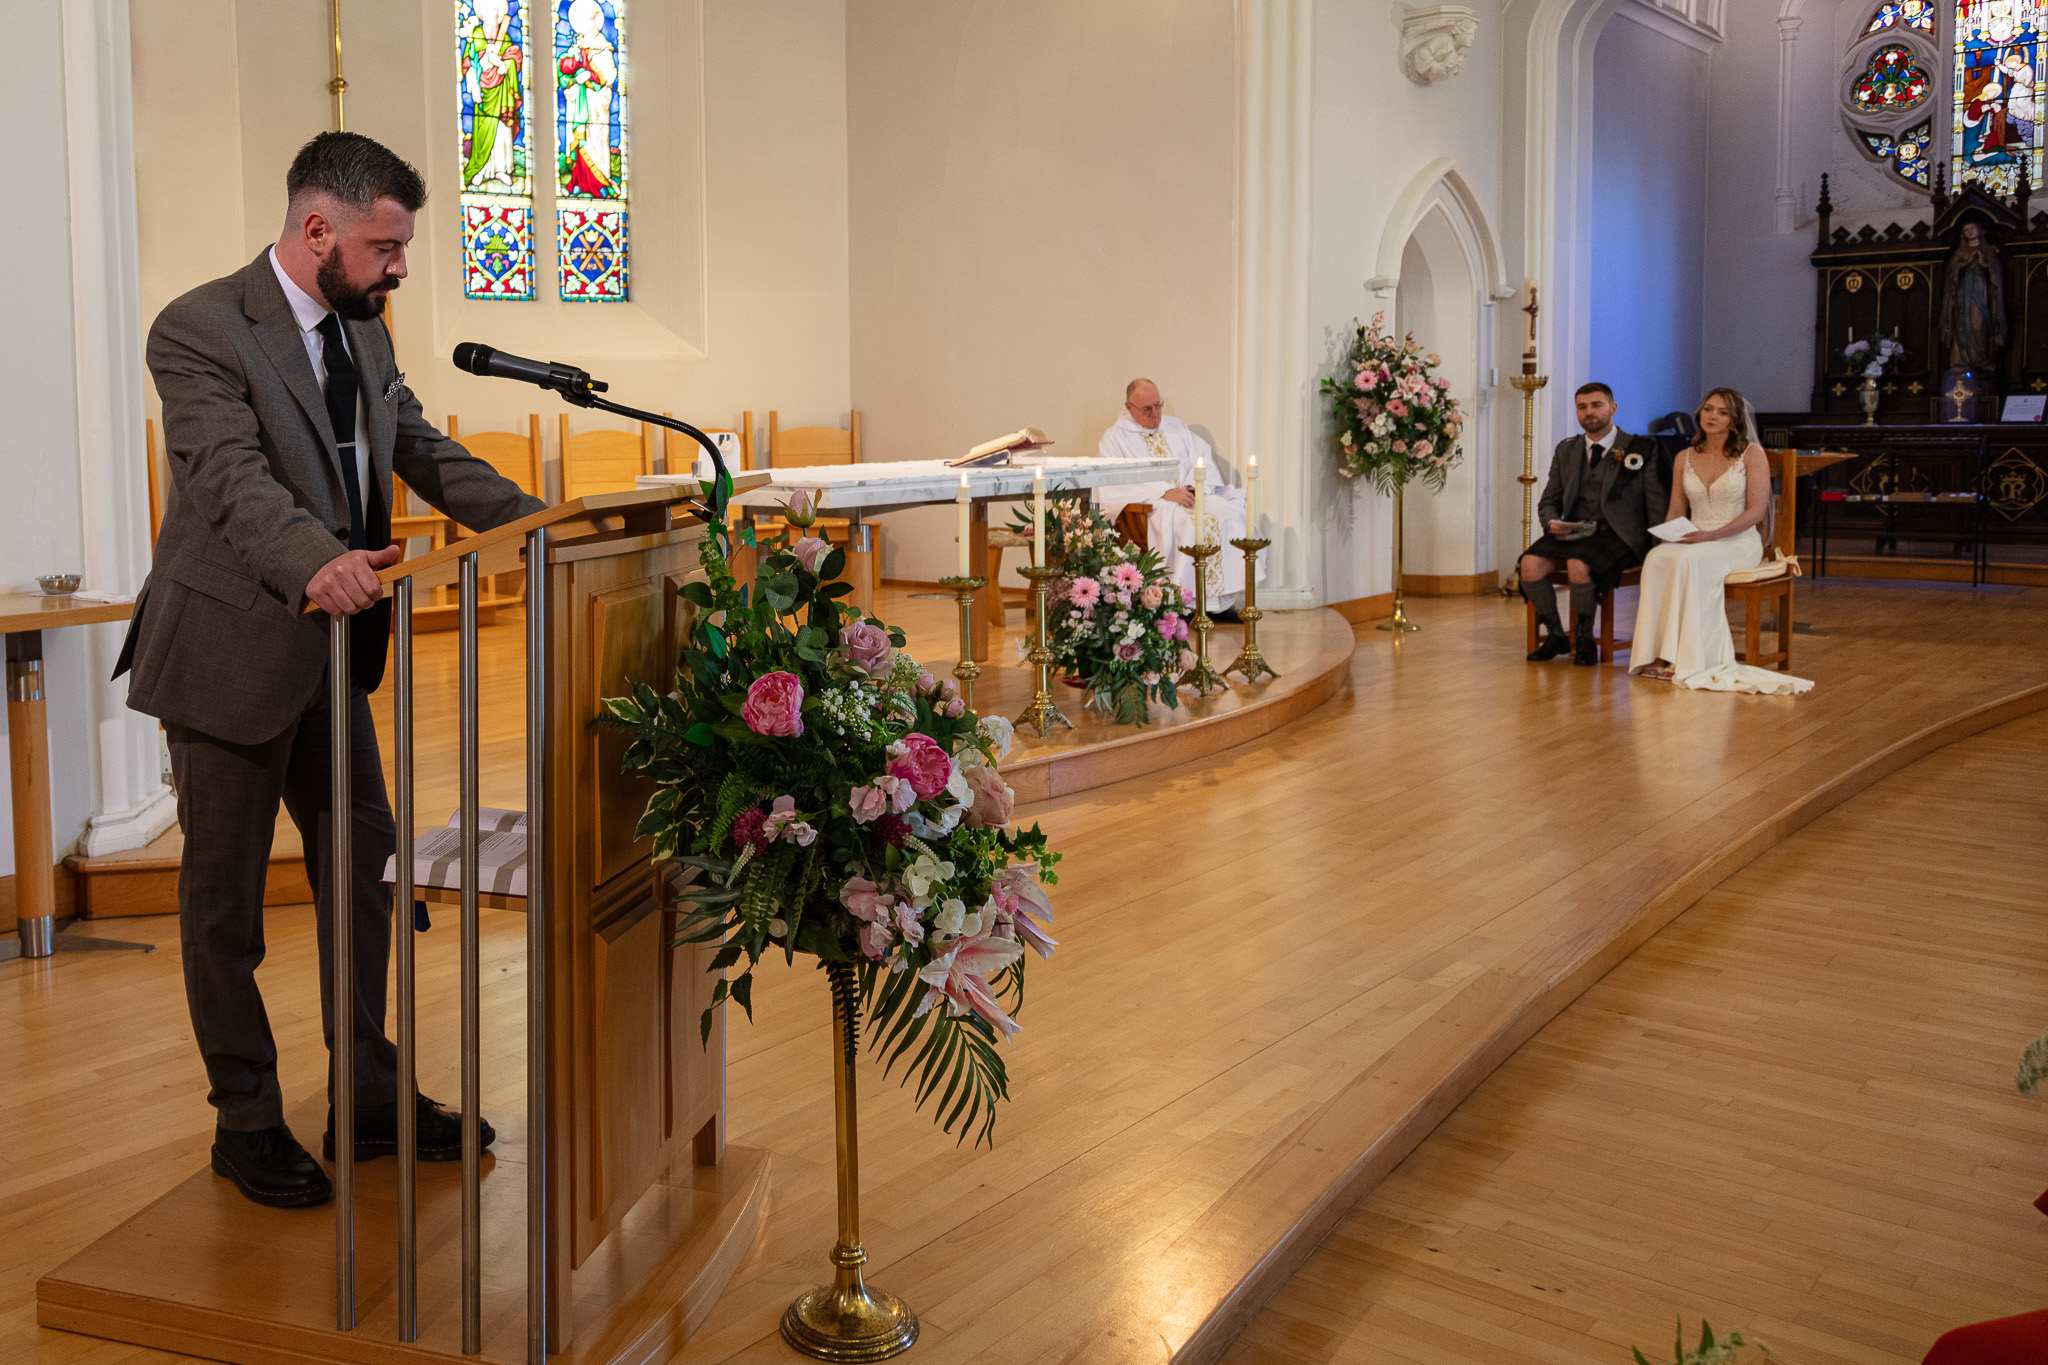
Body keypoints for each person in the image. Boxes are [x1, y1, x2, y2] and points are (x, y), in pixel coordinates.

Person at [116, 132, 546, 1208]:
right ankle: (246, 1118)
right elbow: (229, 478)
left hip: (329, 653)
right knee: (225, 905)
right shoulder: (201, 327)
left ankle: (365, 1092)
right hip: (228, 650)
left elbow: (421, 448)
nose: (398, 268)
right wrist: (318, 560)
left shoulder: (365, 328)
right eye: (384, 247)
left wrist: (543, 525)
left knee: (365, 867)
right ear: (318, 230)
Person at [1629, 386, 1814, 695]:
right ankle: (1658, 652)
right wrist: (1668, 541)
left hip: (1738, 540)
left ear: (1735, 420)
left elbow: (1756, 511)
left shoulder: (1751, 454)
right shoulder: (1684, 457)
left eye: (1723, 412)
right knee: (1658, 559)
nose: (1712, 416)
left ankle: (1686, 657)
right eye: (1708, 409)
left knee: (1691, 560)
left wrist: (1713, 535)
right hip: (1696, 536)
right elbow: (1676, 509)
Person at [1519, 382, 1669, 666]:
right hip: (1574, 531)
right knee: (1530, 563)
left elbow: (1656, 504)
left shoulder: (1642, 448)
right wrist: (1551, 522)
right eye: (1582, 407)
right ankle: (1556, 635)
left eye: (1596, 405)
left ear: (1613, 408)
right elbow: (1549, 500)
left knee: (1579, 563)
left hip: (1620, 535)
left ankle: (1585, 638)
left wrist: (1659, 549)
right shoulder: (1567, 450)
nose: (1589, 412)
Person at [1095, 378, 1262, 611]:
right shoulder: (1114, 439)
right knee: (1189, 525)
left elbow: (1202, 459)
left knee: (1230, 516)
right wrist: (1164, 493)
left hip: (1189, 496)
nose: (1155, 413)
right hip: (1153, 507)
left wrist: (1193, 486)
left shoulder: (1176, 427)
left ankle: (1220, 604)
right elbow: (1113, 485)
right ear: (1128, 407)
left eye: (1158, 405)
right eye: (1147, 409)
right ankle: (1184, 603)